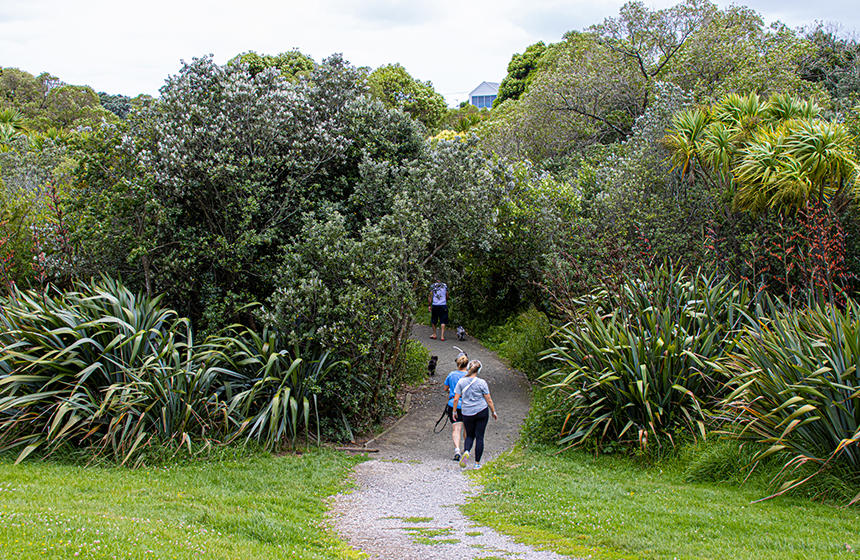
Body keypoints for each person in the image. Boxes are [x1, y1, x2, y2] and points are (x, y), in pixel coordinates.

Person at [452, 359, 497, 470]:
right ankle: (477, 463)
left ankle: (467, 451)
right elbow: (489, 399)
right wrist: (493, 411)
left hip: (467, 412)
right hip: (481, 411)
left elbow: (456, 399)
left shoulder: (461, 382)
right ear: (479, 370)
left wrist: (454, 411)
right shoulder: (482, 383)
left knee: (469, 435)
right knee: (480, 437)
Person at [444, 354, 469, 461]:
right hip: (468, 405)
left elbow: (445, 388)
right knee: (467, 428)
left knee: (456, 428)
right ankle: (466, 449)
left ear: (457, 364)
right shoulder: (470, 376)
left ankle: (457, 450)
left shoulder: (451, 375)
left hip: (454, 404)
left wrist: (451, 390)